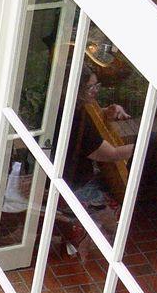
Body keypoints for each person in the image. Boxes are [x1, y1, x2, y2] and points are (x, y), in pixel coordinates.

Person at [57, 64, 134, 252]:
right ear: (76, 88)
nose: (95, 91)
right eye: (90, 87)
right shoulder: (75, 119)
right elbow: (112, 154)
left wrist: (106, 113)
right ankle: (113, 246)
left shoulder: (67, 105)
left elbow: (93, 122)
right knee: (113, 212)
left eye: (96, 86)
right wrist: (143, 146)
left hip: (73, 170)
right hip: (73, 180)